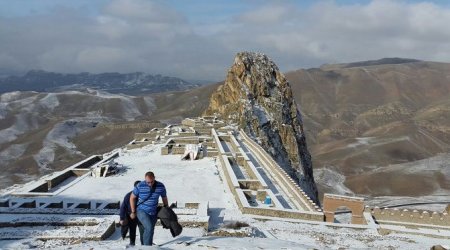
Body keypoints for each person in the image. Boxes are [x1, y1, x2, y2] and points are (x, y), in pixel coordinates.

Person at [130, 171, 168, 246]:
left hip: (153, 212)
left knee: (150, 230)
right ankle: (147, 248)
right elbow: (132, 198)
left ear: (154, 178)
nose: (150, 184)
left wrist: (166, 208)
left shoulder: (160, 186)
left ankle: (146, 245)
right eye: (148, 182)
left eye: (152, 182)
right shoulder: (140, 185)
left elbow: (164, 197)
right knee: (149, 228)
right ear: (145, 179)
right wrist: (133, 211)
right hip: (141, 210)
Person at [119, 180, 143, 246]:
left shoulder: (144, 195)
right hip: (131, 216)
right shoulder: (128, 195)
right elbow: (123, 207)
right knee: (132, 230)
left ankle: (144, 244)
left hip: (142, 215)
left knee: (142, 230)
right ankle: (132, 243)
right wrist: (122, 218)